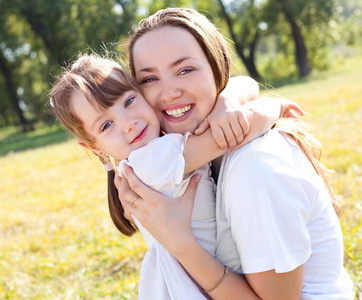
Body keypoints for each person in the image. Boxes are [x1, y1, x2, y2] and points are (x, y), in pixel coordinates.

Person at [118, 7, 354, 299]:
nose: (168, 93)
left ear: (218, 69)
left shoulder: (256, 171)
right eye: (149, 79)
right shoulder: (188, 158)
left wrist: (180, 244)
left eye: (185, 70)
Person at [49, 54, 301, 299]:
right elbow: (235, 131)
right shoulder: (153, 162)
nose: (128, 123)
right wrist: (275, 106)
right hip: (200, 283)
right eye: (106, 125)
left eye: (128, 102)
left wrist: (228, 98)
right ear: (93, 147)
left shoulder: (142, 159)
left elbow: (245, 83)